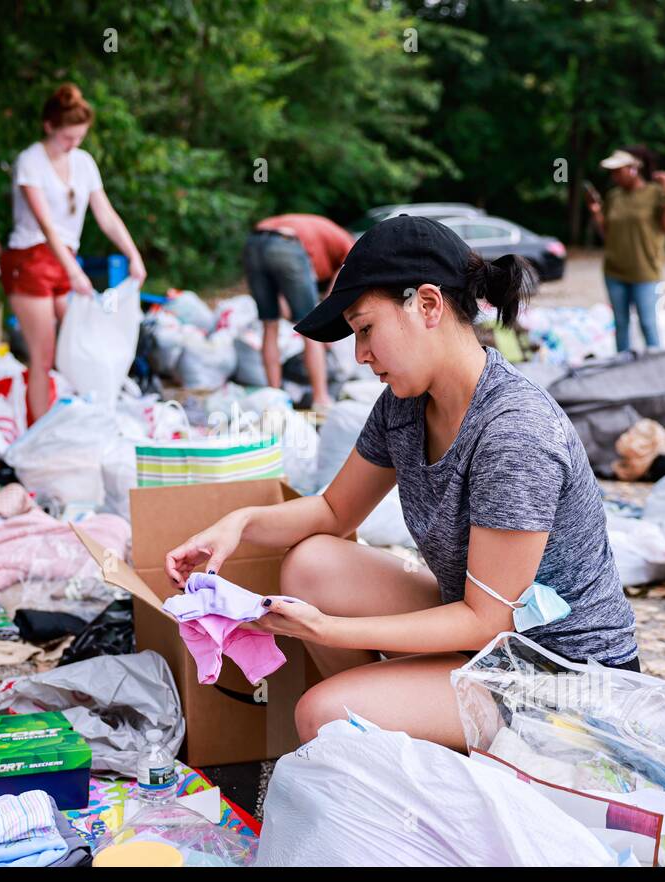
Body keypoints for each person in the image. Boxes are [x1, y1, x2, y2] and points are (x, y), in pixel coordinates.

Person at [164, 216, 639, 752]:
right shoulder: (404, 407)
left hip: (557, 674)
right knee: (313, 562)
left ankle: (396, 732)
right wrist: (239, 524)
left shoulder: (513, 432)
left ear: (429, 305)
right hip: (487, 638)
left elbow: (487, 620)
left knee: (323, 714)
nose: (360, 355)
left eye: (366, 329)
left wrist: (327, 630)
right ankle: (396, 724)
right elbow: (333, 512)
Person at [1, 82, 146, 420]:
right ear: (49, 127)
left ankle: (75, 418)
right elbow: (46, 224)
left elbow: (105, 215)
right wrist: (74, 271)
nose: (73, 145)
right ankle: (38, 434)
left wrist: (133, 254)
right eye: (67, 138)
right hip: (31, 258)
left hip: (63, 259)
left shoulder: (83, 163)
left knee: (78, 344)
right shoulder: (31, 161)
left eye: (79, 138)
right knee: (44, 353)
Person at [243, 213, 355, 413]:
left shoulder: (317, 232)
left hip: (254, 242)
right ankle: (321, 399)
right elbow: (341, 282)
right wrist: (328, 319)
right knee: (311, 327)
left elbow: (283, 298)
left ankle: (274, 397)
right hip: (286, 243)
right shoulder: (348, 244)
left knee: (269, 324)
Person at [588, 145, 665, 352]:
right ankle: (623, 370)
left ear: (633, 169)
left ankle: (654, 368)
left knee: (647, 323)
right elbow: (607, 233)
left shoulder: (655, 193)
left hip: (645, 272)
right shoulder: (614, 196)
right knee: (621, 326)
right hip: (614, 272)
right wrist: (596, 213)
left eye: (618, 171)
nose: (614, 176)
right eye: (612, 172)